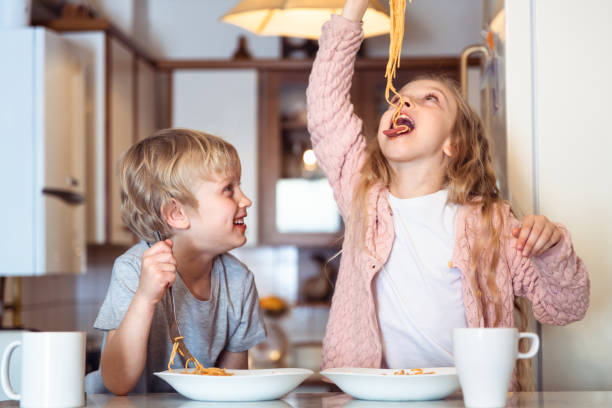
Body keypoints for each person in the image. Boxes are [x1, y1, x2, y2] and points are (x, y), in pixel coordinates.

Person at [306, 0, 589, 390]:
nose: (404, 102)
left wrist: (552, 247)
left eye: (430, 99)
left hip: (469, 397)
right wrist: (354, 9)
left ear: (453, 143)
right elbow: (326, 110)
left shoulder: (492, 223)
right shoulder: (362, 195)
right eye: (399, 98)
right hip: (375, 396)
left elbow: (565, 307)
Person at [87, 128, 266, 395]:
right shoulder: (134, 269)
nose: (246, 200)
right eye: (228, 189)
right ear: (177, 213)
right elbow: (117, 381)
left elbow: (232, 385)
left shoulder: (239, 281)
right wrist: (146, 297)